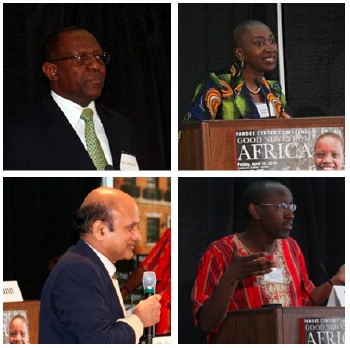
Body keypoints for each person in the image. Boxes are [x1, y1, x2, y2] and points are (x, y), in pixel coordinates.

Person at [191, 180, 345, 343]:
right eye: (282, 207)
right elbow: (206, 323)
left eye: (291, 207)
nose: (291, 214)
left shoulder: (292, 248)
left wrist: (336, 281)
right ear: (255, 211)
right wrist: (231, 277)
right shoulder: (220, 252)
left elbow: (305, 302)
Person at [4, 26, 137, 170]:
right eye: (81, 58)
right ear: (52, 71)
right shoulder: (19, 133)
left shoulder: (122, 127)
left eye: (99, 57)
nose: (96, 66)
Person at [39, 187, 161, 343]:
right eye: (130, 227)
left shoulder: (91, 265)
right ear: (100, 230)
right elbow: (101, 341)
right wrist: (139, 319)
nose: (138, 236)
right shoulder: (77, 271)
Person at [184, 19, 291, 122]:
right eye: (259, 43)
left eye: (271, 41)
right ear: (240, 54)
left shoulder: (274, 89)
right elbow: (193, 131)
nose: (270, 48)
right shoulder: (219, 83)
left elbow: (290, 130)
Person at [120, 227, 171, 335]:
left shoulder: (172, 234)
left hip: (166, 319)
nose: (137, 237)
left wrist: (122, 294)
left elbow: (147, 269)